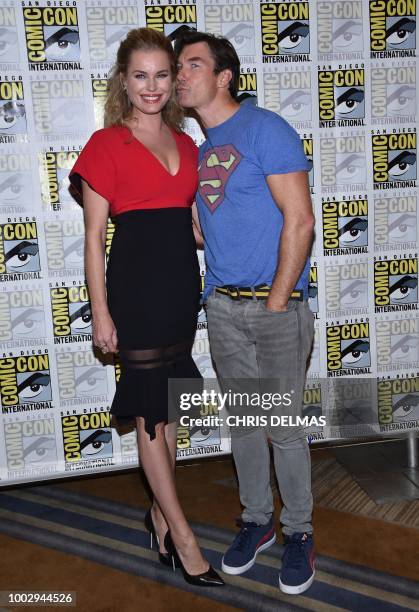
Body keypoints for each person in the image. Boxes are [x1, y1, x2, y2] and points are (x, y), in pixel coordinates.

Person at [69, 28, 223, 587]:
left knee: (171, 412)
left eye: (163, 74)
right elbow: (93, 240)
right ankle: (183, 536)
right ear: (123, 81)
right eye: (141, 75)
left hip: (180, 289)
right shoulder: (105, 144)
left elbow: (189, 226)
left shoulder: (188, 145)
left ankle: (158, 518)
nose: (153, 86)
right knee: (150, 417)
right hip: (133, 291)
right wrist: (101, 312)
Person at [175, 32, 315, 595]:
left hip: (274, 307)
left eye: (193, 64)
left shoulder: (266, 129)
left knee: (283, 428)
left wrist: (277, 301)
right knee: (246, 425)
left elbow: (299, 220)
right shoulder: (199, 148)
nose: (180, 74)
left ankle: (299, 532)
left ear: (224, 75)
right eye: (177, 65)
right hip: (224, 307)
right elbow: (215, 226)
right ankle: (256, 521)